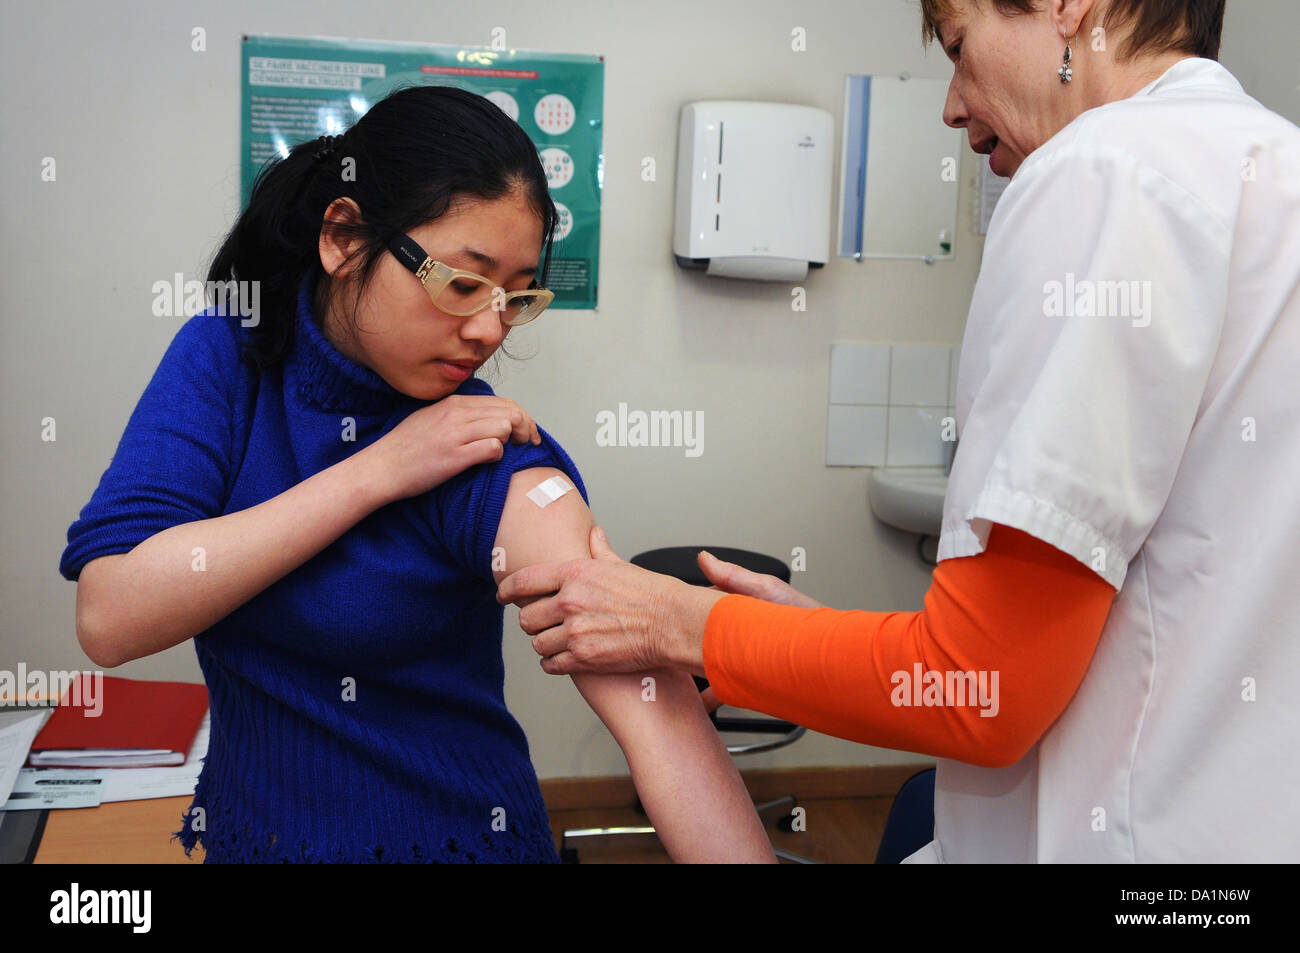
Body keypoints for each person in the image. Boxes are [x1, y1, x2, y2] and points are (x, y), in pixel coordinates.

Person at [499, 0, 1300, 862]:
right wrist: (813, 640)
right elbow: (1161, 610)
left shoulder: (1103, 171)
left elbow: (980, 690)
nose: (952, 104)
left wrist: (674, 621)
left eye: (958, 47)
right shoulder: (1273, 167)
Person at [59, 84, 775, 863]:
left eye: (514, 296)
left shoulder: (486, 450)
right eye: (461, 283)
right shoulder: (228, 358)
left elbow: (657, 714)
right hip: (250, 838)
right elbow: (112, 615)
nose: (486, 330)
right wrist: (376, 472)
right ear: (342, 237)